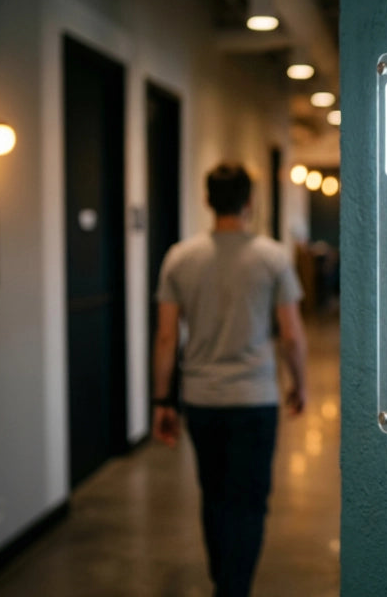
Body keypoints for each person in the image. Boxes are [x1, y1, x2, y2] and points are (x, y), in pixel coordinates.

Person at [152, 163, 307, 597]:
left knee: (214, 496)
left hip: (202, 400)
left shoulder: (180, 258)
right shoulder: (273, 257)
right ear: (250, 202)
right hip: (255, 399)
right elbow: (292, 335)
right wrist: (300, 385)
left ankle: (224, 581)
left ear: (207, 200)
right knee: (249, 504)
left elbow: (166, 338)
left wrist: (162, 401)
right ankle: (233, 588)